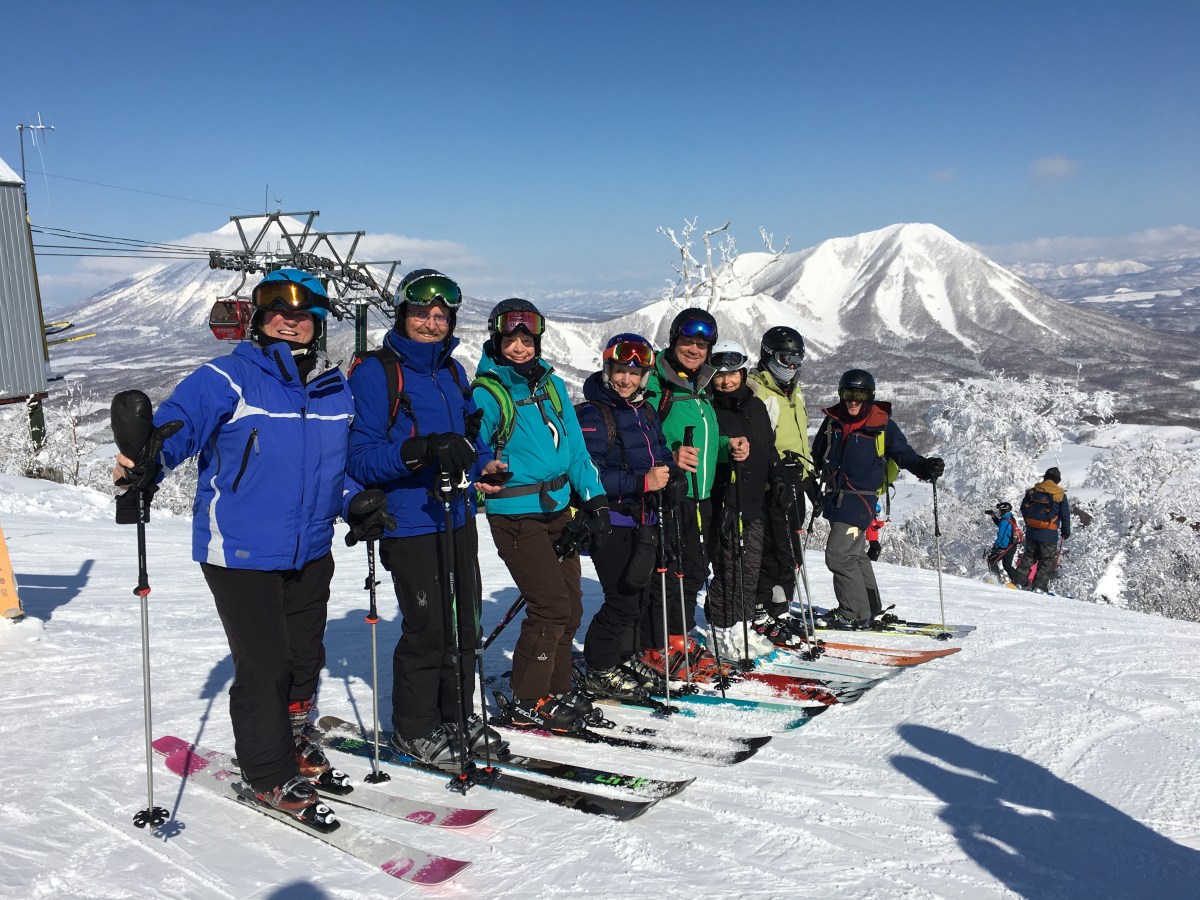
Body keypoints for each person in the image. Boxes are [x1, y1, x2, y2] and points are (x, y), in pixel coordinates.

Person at [113, 269, 353, 818]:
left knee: (305, 657)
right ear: (260, 318)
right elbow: (179, 424)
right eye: (278, 310)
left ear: (318, 322)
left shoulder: (331, 387)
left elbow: (345, 464)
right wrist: (146, 457)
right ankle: (268, 770)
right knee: (265, 664)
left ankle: (294, 737)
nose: (290, 321)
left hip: (312, 546)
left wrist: (359, 498)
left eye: (302, 313)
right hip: (240, 549)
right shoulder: (226, 377)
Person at [346, 268, 507, 767]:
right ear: (402, 314)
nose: (432, 323)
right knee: (428, 630)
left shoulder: (451, 372)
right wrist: (418, 452)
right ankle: (414, 729)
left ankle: (455, 714)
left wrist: (484, 463)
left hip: (457, 515)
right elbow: (361, 457)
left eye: (441, 316)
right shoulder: (377, 373)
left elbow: (468, 437)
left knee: (464, 622)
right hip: (411, 521)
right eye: (421, 313)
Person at [472, 299, 610, 731]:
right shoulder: (489, 392)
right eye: (510, 339)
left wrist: (595, 500)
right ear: (496, 341)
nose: (518, 348)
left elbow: (574, 447)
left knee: (570, 606)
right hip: (516, 514)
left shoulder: (548, 384)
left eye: (526, 339)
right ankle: (528, 697)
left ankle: (559, 685)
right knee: (549, 606)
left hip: (558, 509)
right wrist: (481, 467)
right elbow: (473, 445)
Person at [640, 308, 749, 678]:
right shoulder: (657, 384)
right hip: (671, 493)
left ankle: (679, 635)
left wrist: (726, 445)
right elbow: (640, 435)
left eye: (702, 345)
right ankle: (660, 642)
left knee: (695, 569)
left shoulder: (701, 386)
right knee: (671, 571)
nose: (694, 349)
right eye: (687, 342)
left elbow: (703, 440)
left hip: (700, 495)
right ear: (674, 342)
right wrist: (670, 454)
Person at [577, 334, 678, 699]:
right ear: (607, 371)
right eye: (620, 371)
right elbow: (590, 473)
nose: (625, 380)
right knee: (620, 598)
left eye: (634, 374)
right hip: (613, 521)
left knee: (637, 596)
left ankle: (623, 656)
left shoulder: (644, 410)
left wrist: (671, 472)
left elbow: (661, 452)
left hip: (645, 519)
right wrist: (641, 481)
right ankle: (599, 666)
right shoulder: (595, 413)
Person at [810, 369, 944, 627]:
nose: (853, 400)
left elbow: (904, 454)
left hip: (859, 500)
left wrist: (925, 467)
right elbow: (818, 454)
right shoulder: (832, 422)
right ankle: (870, 608)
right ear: (841, 394)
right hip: (835, 498)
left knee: (838, 556)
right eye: (849, 393)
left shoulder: (882, 425)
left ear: (870, 396)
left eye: (859, 394)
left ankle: (852, 613)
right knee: (855, 555)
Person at [747, 325, 821, 647]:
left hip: (794, 480)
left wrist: (809, 481)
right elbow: (756, 441)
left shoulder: (795, 390)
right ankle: (761, 610)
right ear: (767, 355)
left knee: (790, 551)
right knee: (770, 551)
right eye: (784, 358)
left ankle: (780, 609)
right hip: (768, 483)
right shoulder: (757, 391)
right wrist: (774, 472)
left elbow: (800, 440)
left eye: (796, 359)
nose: (791, 366)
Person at [707, 340, 778, 662]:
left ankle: (742, 626)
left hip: (752, 504)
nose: (726, 381)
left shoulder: (756, 406)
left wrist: (777, 476)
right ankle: (721, 632)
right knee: (727, 571)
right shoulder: (708, 408)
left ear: (742, 371)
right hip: (724, 502)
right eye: (719, 375)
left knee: (749, 571)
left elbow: (767, 447)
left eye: (732, 374)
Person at [1013, 468, 1070, 593]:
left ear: (1045, 477)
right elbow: (1065, 515)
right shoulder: (1060, 495)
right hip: (1049, 533)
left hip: (1032, 531)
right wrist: (1065, 531)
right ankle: (1039, 587)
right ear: (1057, 480)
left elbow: (1023, 507)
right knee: (1047, 560)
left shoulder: (1033, 491)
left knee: (1029, 557)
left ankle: (1017, 583)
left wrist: (1030, 521)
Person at [985, 500, 1022, 585]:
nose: (999, 512)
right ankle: (1019, 583)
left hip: (1006, 546)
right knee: (1007, 565)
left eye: (1000, 510)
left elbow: (1002, 536)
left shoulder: (1005, 521)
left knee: (991, 560)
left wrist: (996, 547)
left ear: (1003, 510)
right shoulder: (1008, 518)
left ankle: (996, 581)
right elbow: (1001, 525)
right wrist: (993, 516)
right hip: (1011, 545)